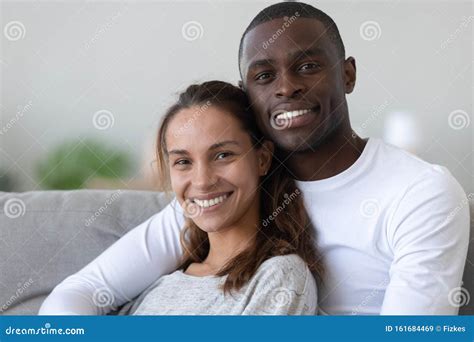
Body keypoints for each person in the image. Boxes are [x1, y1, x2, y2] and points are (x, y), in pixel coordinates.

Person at [39, 2, 469, 316]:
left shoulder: (420, 191)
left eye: (307, 66)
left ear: (348, 74)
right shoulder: (229, 188)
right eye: (264, 76)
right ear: (249, 93)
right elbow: (83, 292)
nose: (285, 88)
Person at [130, 80, 320, 315]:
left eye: (222, 155)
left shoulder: (280, 277)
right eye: (183, 162)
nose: (202, 181)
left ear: (262, 159)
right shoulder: (158, 282)